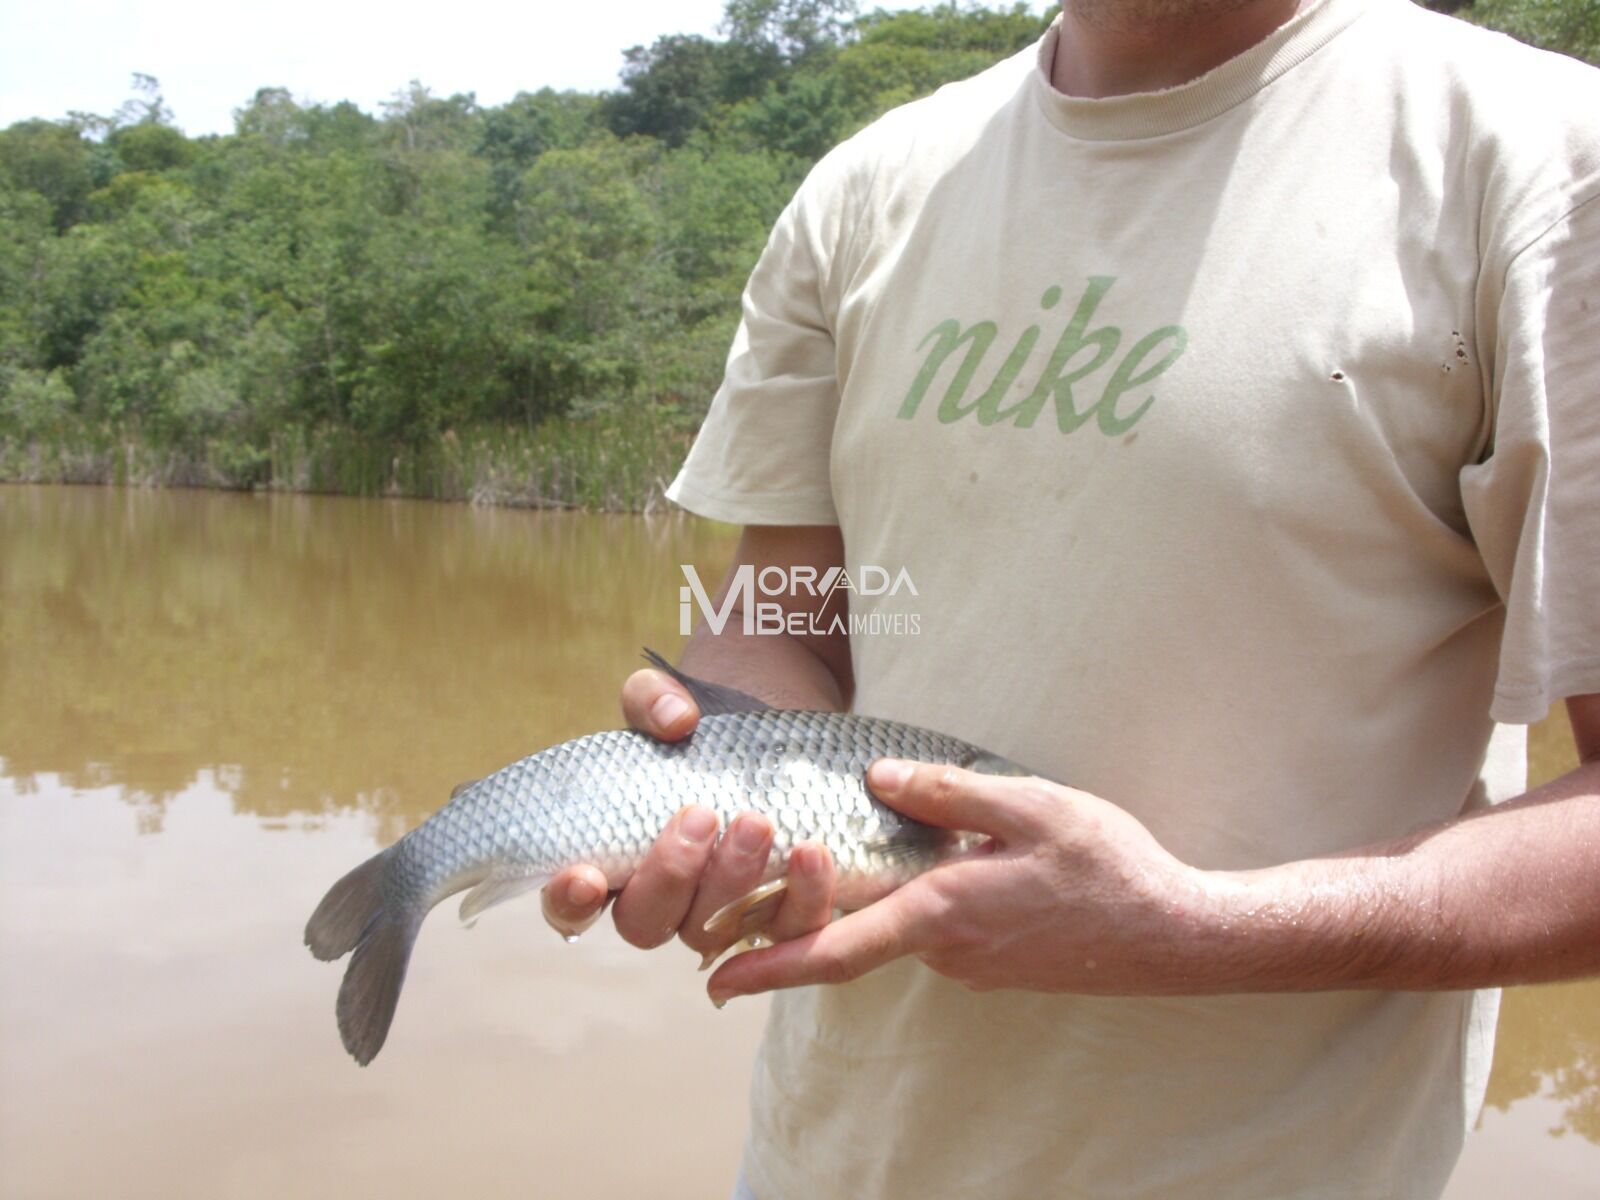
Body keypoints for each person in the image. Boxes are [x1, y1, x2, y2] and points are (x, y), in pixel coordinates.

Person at [546, 0, 1600, 1194]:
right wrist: (722, 775)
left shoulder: (1541, 165)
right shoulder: (866, 190)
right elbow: (779, 613)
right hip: (818, 1161)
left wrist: (1195, 932)